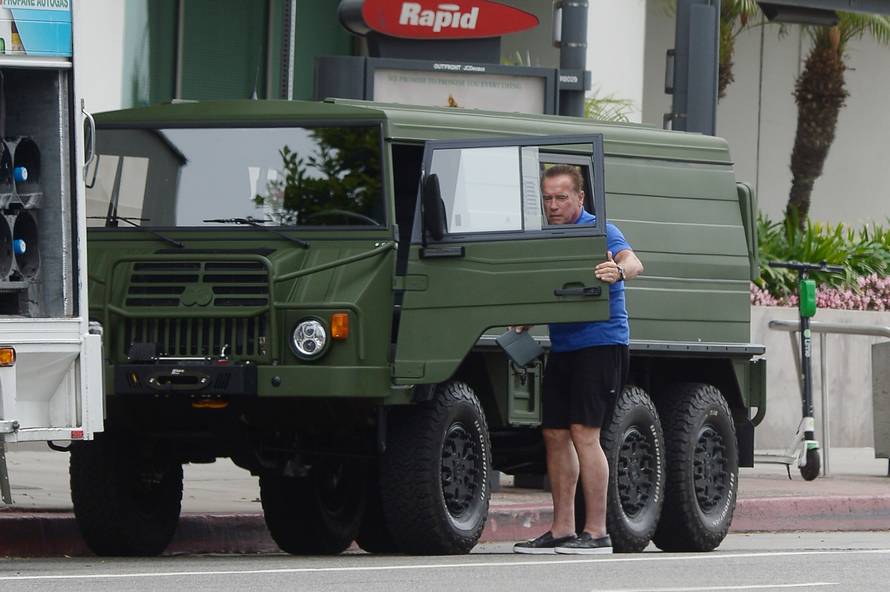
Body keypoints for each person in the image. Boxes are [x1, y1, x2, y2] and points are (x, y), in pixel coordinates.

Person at [513, 164, 643, 555]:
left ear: (580, 198)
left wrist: (617, 270)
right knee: (554, 434)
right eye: (548, 197)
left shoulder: (601, 229)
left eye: (561, 197)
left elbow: (636, 263)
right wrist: (525, 319)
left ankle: (598, 532)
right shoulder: (547, 236)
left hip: (602, 344)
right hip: (565, 347)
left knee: (584, 433)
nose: (553, 205)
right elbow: (549, 288)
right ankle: (562, 529)